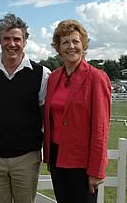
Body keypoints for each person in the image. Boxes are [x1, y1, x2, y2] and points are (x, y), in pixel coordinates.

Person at [0, 13, 50, 203]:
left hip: (26, 158)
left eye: (17, 39)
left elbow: (45, 115)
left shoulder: (41, 74)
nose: (12, 44)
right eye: (7, 38)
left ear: (25, 41)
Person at [43, 19, 111, 203]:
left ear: (83, 45)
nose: (71, 46)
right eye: (65, 42)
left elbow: (101, 129)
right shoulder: (54, 77)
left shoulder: (97, 78)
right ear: (58, 47)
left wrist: (96, 171)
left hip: (83, 163)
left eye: (75, 41)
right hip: (57, 159)